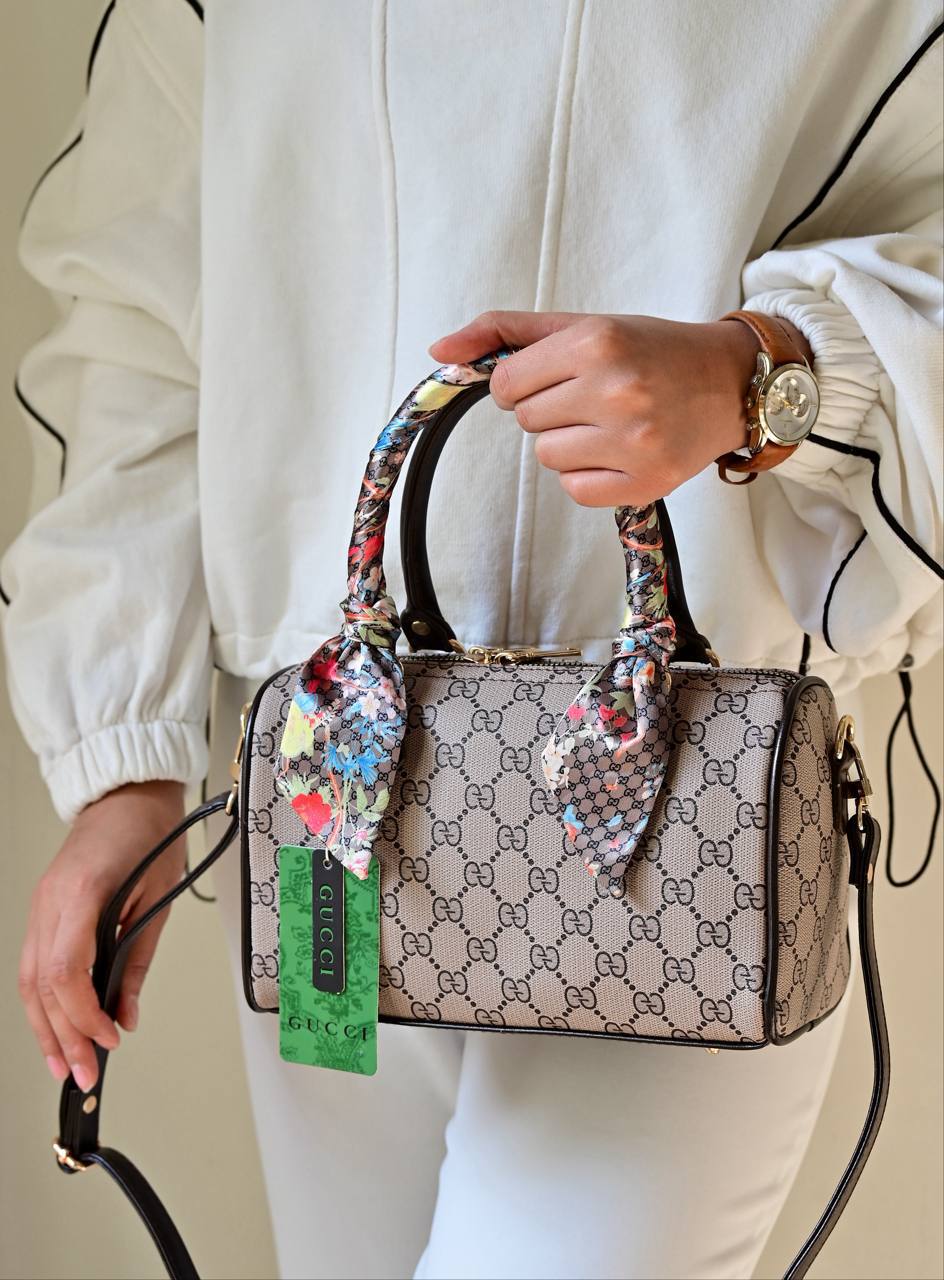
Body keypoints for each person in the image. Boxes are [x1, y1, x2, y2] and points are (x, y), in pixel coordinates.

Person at [4, 3, 942, 1278]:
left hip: (688, 786)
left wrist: (763, 375)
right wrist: (123, 760)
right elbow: (137, 312)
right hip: (334, 778)